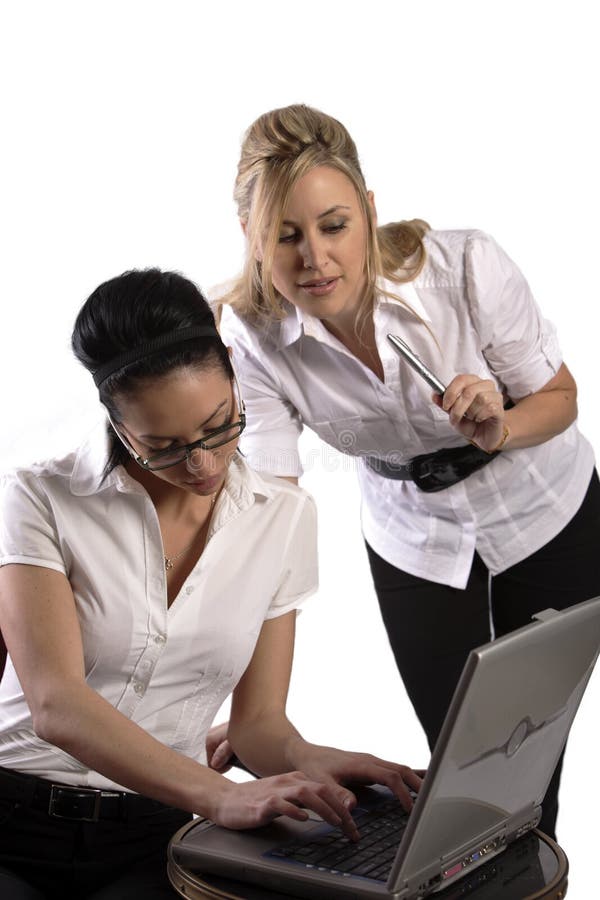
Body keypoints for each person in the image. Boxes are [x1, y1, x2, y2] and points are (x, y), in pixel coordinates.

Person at [212, 103, 600, 841]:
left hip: (546, 511)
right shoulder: (255, 339)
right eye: (285, 236)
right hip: (413, 535)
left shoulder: (464, 269)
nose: (314, 259)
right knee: (464, 772)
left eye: (333, 226)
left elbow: (562, 398)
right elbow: (271, 509)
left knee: (531, 763)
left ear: (367, 209)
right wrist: (245, 705)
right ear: (253, 241)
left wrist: (503, 427)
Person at [0, 269, 421, 900]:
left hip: (156, 833)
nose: (200, 464)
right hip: (13, 813)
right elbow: (56, 705)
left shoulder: (283, 519)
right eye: (161, 446)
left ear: (230, 367)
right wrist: (224, 795)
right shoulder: (40, 496)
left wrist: (312, 760)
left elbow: (256, 727)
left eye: (218, 424)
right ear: (115, 421)